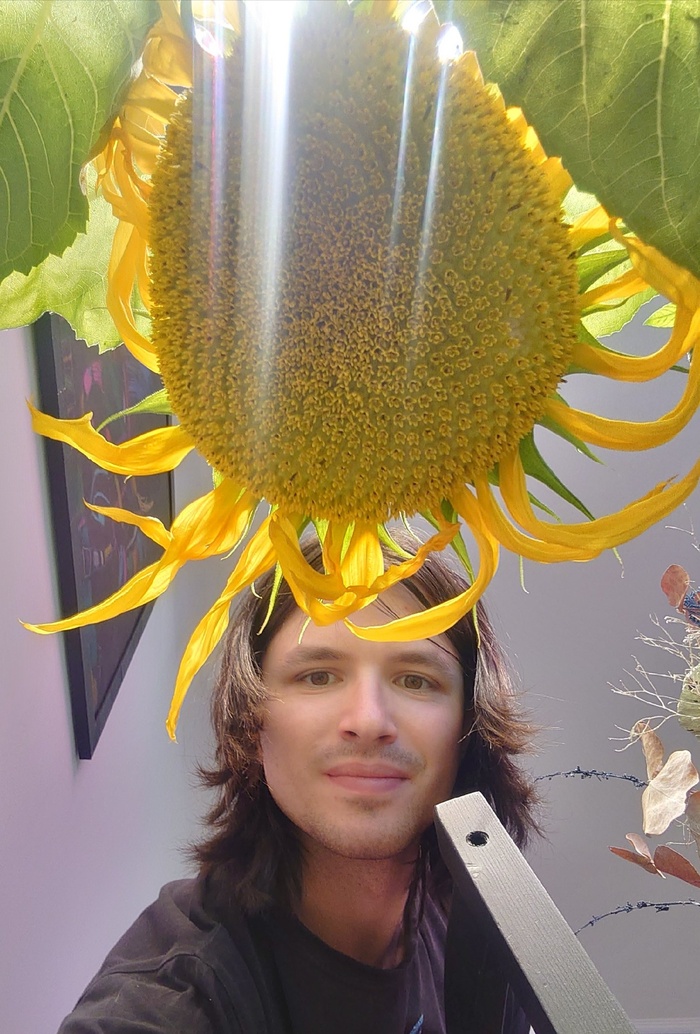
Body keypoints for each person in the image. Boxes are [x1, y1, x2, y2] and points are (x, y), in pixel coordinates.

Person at [58, 532, 537, 1033]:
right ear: (252, 723)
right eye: (318, 676)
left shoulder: (477, 932)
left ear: (469, 730)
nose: (368, 720)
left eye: (415, 680)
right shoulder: (177, 996)